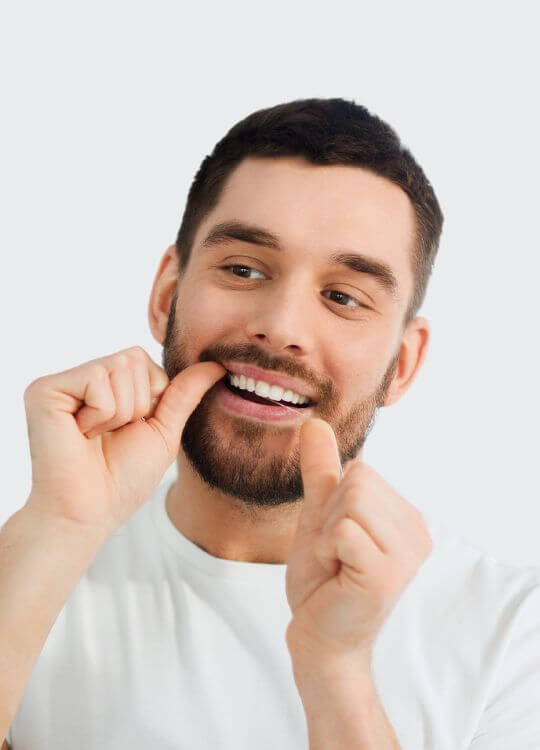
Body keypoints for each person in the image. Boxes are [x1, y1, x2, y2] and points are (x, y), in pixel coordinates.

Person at [1, 97, 539, 749]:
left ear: (404, 362)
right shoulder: (31, 569)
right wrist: (58, 530)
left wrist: (337, 675)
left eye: (343, 297)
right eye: (244, 269)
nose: (281, 328)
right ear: (167, 294)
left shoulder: (513, 635)